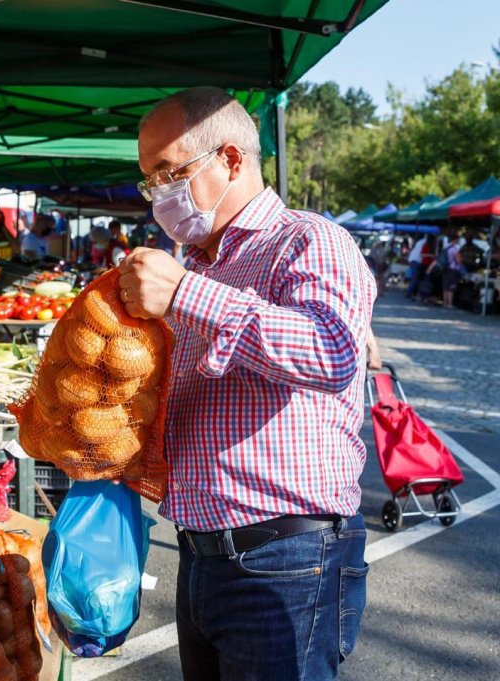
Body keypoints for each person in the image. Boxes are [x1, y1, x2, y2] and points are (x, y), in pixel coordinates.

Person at [117, 86, 375, 681]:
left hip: (286, 558)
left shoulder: (308, 240)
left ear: (231, 160)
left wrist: (184, 293)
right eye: (148, 180)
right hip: (202, 551)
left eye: (169, 172)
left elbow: (333, 352)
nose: (159, 193)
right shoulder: (202, 263)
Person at [442, 235, 467, 309]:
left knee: (445, 287)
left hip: (445, 269)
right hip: (452, 270)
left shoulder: (446, 247)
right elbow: (458, 260)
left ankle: (445, 303)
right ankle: (450, 303)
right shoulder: (454, 249)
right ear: (455, 240)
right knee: (451, 288)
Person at [405, 235, 427, 299]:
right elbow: (421, 254)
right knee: (415, 278)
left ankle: (411, 293)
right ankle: (409, 293)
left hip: (414, 260)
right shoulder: (424, 242)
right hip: (416, 261)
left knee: (415, 278)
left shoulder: (420, 241)